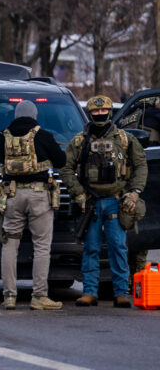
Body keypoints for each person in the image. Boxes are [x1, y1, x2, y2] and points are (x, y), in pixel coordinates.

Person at [60, 95, 148, 308]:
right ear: (90, 114)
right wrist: (78, 193)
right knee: (90, 248)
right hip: (90, 202)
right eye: (95, 112)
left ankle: (120, 292)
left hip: (116, 202)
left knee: (118, 247)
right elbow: (66, 168)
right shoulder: (80, 141)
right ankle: (90, 292)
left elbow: (141, 165)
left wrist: (134, 192)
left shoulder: (125, 139)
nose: (99, 114)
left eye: (103, 111)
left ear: (109, 112)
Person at [0, 100, 66, 310]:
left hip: (12, 195)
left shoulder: (1, 137)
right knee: (41, 245)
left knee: (10, 244)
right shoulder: (43, 135)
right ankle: (39, 296)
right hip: (39, 195)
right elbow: (61, 160)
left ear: (16, 115)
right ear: (34, 115)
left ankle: (9, 296)